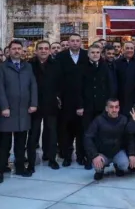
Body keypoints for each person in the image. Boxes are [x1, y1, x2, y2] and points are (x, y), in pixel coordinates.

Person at [0, 40, 38, 183]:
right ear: (9, 50)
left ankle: (20, 167)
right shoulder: (1, 67)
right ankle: (0, 170)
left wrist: (33, 103)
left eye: (19, 49)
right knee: (3, 144)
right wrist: (4, 107)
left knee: (20, 143)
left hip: (23, 111)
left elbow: (33, 86)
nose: (17, 51)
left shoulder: (28, 67)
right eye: (14, 49)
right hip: (8, 111)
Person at [28, 41, 62, 172]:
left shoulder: (56, 65)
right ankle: (31, 162)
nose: (43, 51)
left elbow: (60, 83)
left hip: (51, 104)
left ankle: (52, 159)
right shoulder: (29, 65)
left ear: (49, 51)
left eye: (46, 49)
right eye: (40, 48)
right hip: (34, 105)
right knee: (33, 134)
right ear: (36, 51)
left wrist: (58, 97)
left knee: (52, 133)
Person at [84, 98, 135, 180]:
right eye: (111, 107)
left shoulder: (124, 119)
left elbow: (130, 137)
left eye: (116, 107)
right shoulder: (98, 120)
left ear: (119, 108)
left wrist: (132, 154)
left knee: (124, 165)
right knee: (96, 165)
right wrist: (94, 155)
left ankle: (118, 167)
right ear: (106, 108)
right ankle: (100, 171)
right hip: (102, 153)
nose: (114, 109)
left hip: (117, 151)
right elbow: (88, 137)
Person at [56, 33, 88, 167]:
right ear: (68, 43)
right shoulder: (61, 56)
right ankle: (67, 156)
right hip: (66, 100)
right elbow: (57, 77)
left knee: (82, 130)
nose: (75, 43)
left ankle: (81, 156)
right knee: (66, 131)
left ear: (81, 42)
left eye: (77, 41)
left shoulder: (87, 56)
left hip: (83, 99)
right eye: (72, 41)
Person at [80, 44, 114, 170]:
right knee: (88, 133)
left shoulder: (104, 67)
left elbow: (110, 85)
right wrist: (80, 105)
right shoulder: (82, 67)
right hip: (87, 106)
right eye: (92, 52)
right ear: (88, 54)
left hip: (101, 106)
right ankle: (88, 158)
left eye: (97, 52)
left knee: (101, 132)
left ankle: (101, 157)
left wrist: (109, 104)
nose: (95, 54)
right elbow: (78, 88)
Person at [115, 41, 135, 116]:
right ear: (123, 50)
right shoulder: (117, 63)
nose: (129, 50)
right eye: (127, 48)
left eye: (131, 48)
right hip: (121, 97)